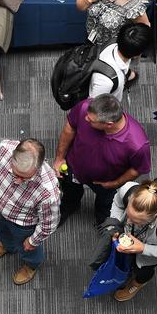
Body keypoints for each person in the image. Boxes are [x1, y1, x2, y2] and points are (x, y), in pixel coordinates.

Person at [53, 94, 150, 225]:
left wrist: (115, 183)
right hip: (73, 168)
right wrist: (59, 158)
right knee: (70, 193)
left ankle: (103, 221)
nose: (86, 118)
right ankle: (70, 206)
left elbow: (136, 170)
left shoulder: (137, 144)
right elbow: (70, 127)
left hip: (105, 182)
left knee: (105, 204)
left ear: (109, 124)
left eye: (91, 120)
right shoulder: (85, 108)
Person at [0, 138, 60, 286]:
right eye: (15, 174)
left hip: (23, 224)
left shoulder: (48, 191)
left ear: (38, 167)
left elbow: (49, 223)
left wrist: (33, 241)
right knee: (0, 230)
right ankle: (8, 246)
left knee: (28, 249)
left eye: (24, 177)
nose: (18, 180)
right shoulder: (1, 150)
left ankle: (31, 265)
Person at [104, 179, 157, 302]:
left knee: (142, 272)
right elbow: (118, 204)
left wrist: (143, 248)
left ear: (154, 216)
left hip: (147, 259)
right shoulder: (127, 190)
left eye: (137, 221)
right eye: (128, 214)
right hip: (133, 242)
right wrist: (115, 225)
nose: (128, 221)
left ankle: (138, 283)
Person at [77, 0, 150, 84]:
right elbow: (80, 6)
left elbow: (144, 29)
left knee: (109, 71)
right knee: (91, 60)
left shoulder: (132, 5)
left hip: (113, 48)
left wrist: (130, 52)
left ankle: (127, 75)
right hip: (92, 37)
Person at [86, 23, 151, 102]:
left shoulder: (113, 42)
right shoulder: (105, 82)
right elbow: (93, 106)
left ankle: (127, 75)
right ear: (137, 55)